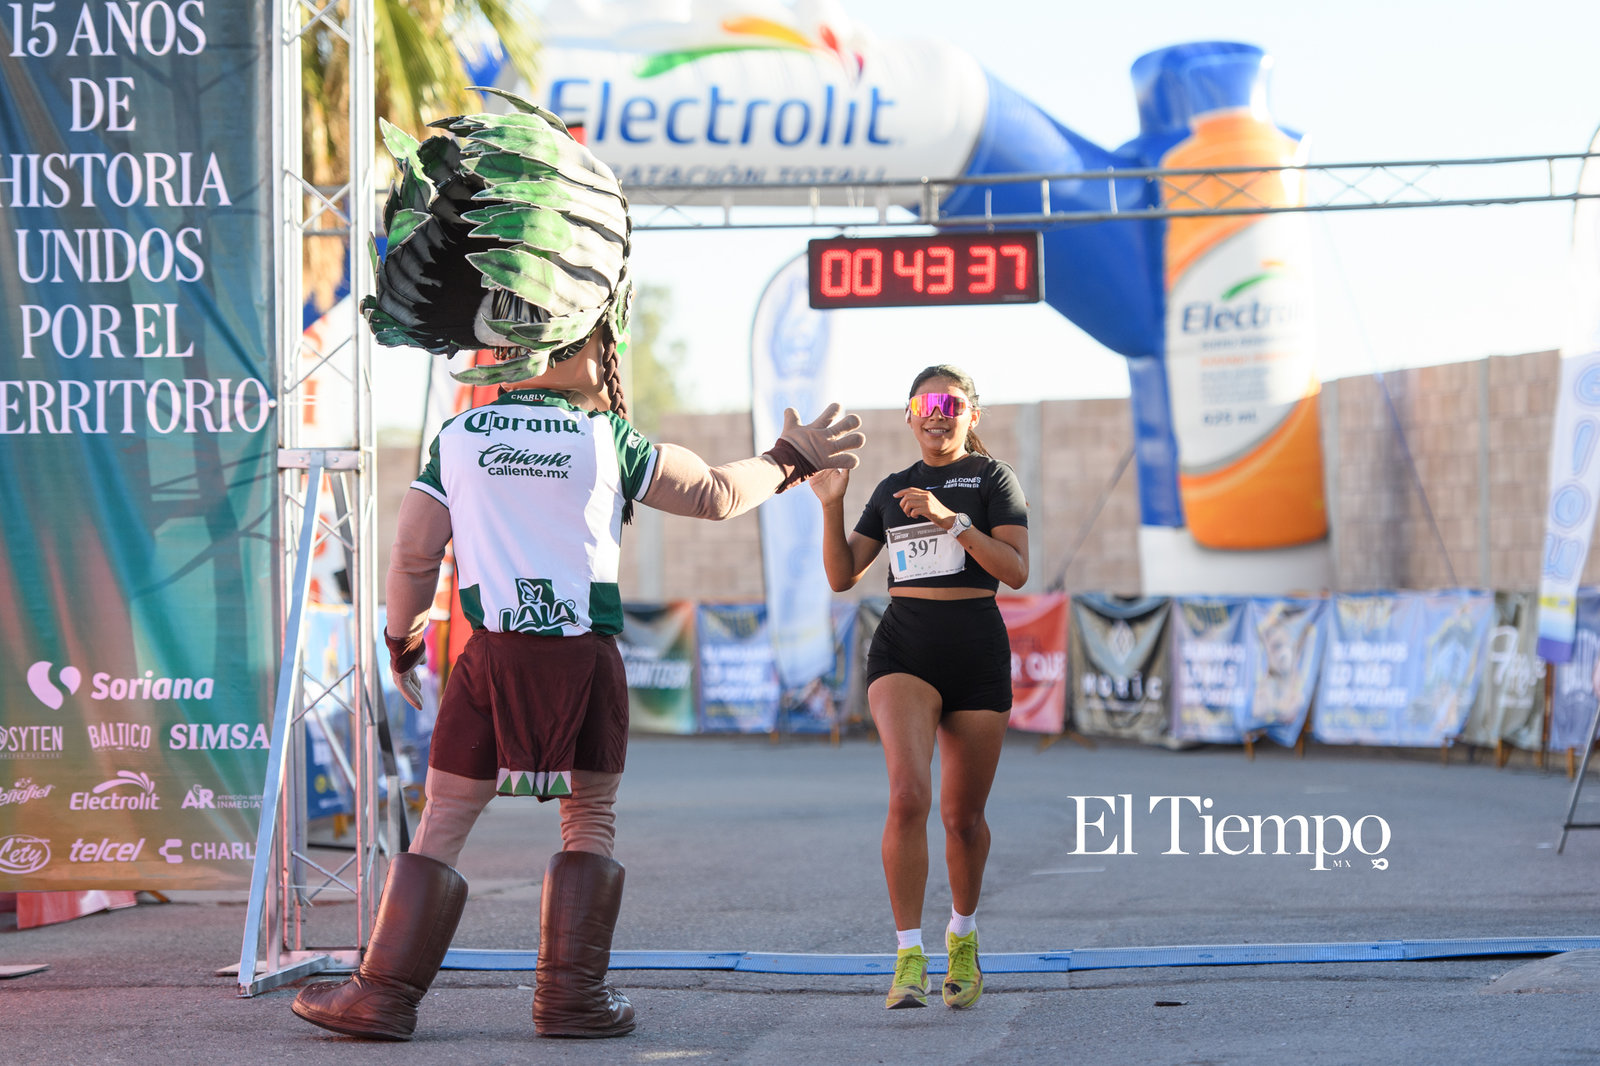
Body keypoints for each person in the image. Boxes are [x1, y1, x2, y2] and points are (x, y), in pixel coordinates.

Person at [290, 90, 866, 1042]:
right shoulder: (610, 440)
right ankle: (570, 1000)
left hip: (494, 660)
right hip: (584, 659)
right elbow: (721, 493)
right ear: (585, 336)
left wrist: (401, 636)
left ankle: (382, 997)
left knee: (442, 826)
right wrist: (794, 459)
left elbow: (410, 554)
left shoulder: (459, 439)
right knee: (587, 825)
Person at [810, 364, 1028, 1011]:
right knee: (908, 795)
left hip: (976, 653)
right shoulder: (891, 486)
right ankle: (908, 954)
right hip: (905, 650)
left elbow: (1014, 571)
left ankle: (962, 935)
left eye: (951, 402)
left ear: (971, 415)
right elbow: (844, 574)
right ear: (909, 415)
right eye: (926, 403)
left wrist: (950, 520)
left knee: (963, 820)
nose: (938, 412)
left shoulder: (992, 480)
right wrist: (833, 504)